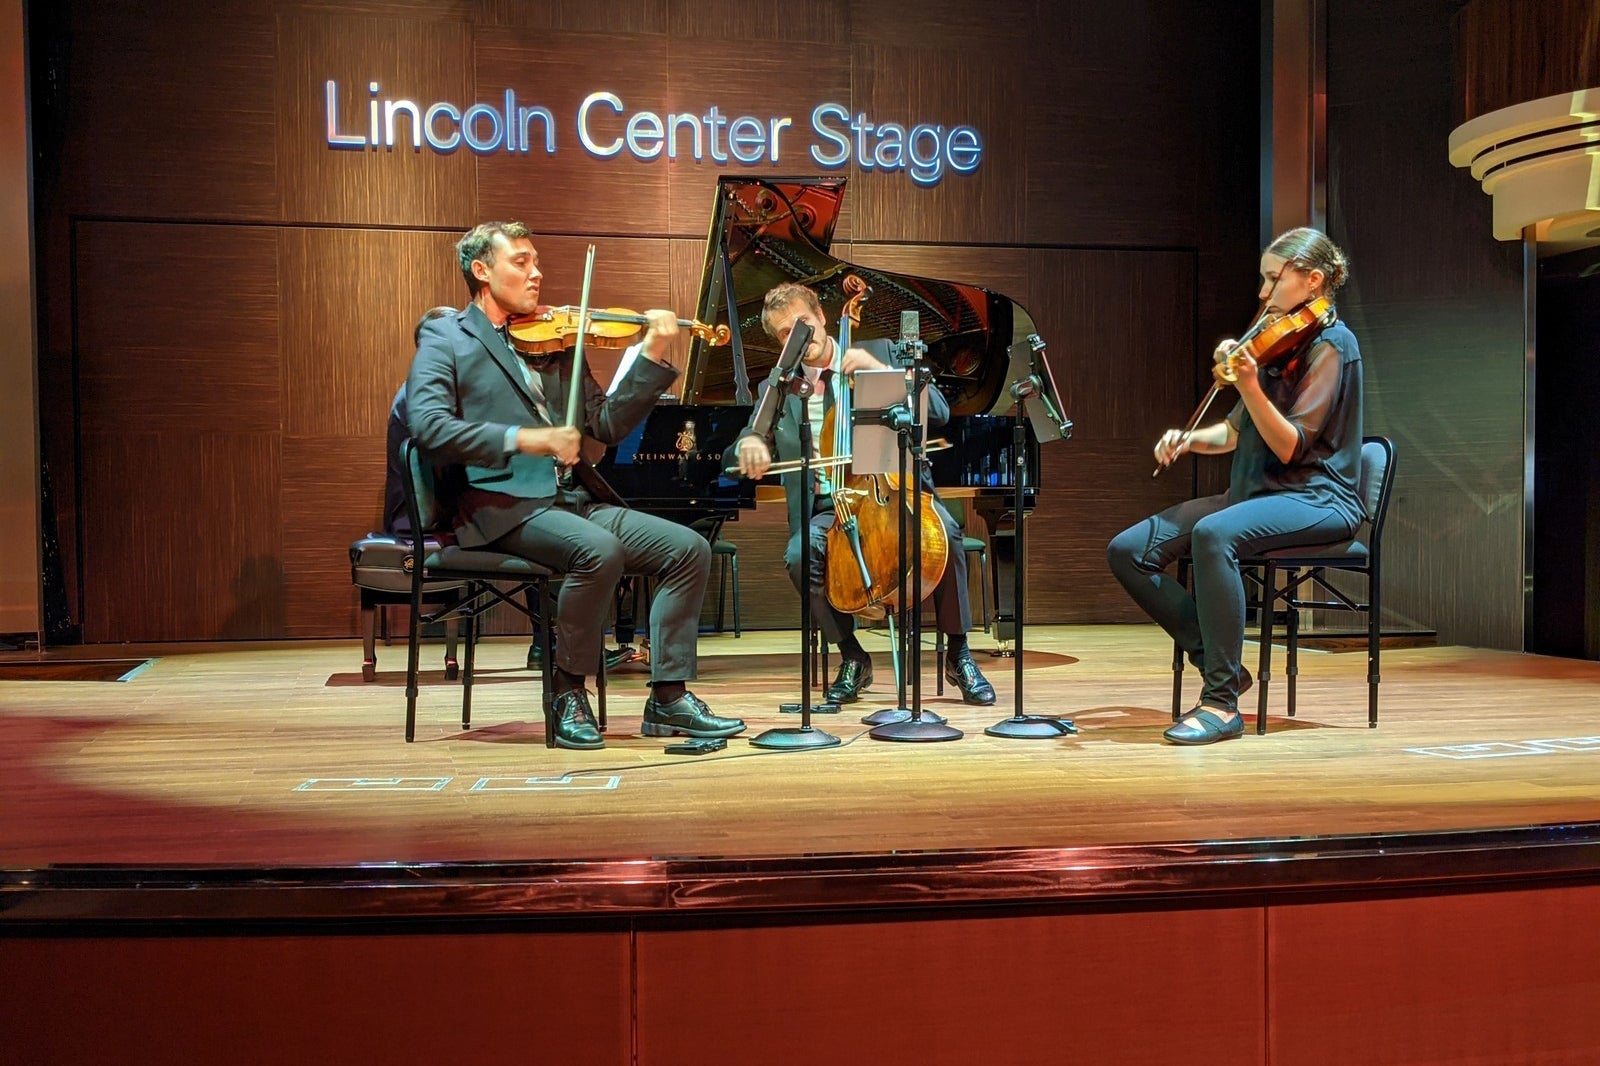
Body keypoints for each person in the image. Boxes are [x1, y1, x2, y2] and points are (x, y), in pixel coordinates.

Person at [407, 221, 744, 750]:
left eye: (536, 261)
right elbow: (428, 427)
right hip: (500, 503)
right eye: (520, 261)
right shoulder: (447, 337)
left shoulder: (556, 337)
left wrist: (653, 355)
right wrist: (529, 439)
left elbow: (604, 425)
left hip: (571, 499)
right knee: (600, 551)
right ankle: (566, 692)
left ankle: (669, 698)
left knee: (689, 550)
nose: (536, 272)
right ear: (481, 270)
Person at [1107, 227, 1362, 745]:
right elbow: (1233, 432)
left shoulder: (1334, 345)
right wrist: (1187, 439)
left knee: (1215, 535)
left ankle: (1221, 704)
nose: (1264, 293)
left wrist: (1248, 381)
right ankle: (1220, 662)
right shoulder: (1275, 344)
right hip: (1257, 495)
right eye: (1263, 280)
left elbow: (1291, 443)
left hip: (1317, 496)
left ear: (1313, 281)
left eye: (1274, 279)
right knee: (1129, 550)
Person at [728, 282, 996, 706]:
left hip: (891, 493)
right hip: (826, 508)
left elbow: (940, 413)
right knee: (800, 555)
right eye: (785, 333)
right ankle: (852, 655)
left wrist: (879, 372)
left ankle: (958, 652)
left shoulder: (882, 351)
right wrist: (749, 441)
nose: (799, 336)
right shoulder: (778, 387)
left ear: (821, 316)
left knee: (945, 532)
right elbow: (745, 437)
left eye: (803, 323)